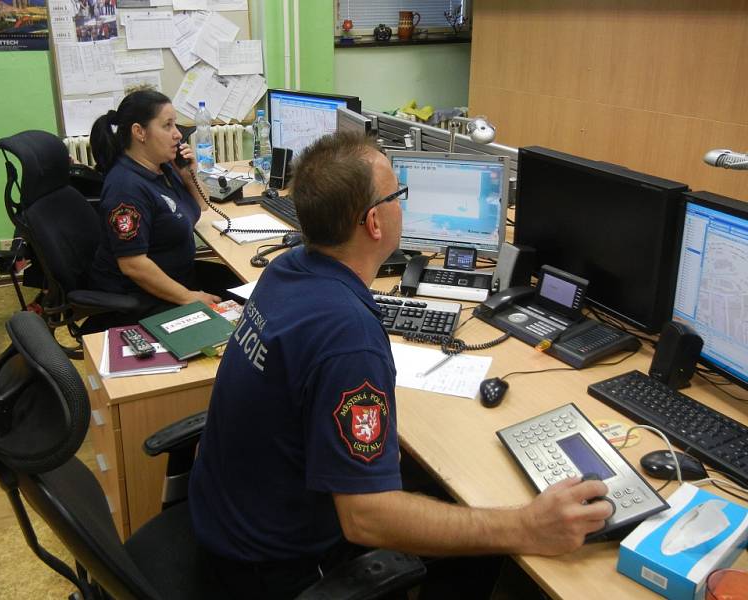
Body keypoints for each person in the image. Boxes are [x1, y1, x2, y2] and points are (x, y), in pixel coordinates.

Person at [188, 132, 614, 599]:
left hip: (228, 522)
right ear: (374, 221)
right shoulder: (347, 337)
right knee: (490, 542)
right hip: (277, 570)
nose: (402, 204)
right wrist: (526, 526)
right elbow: (365, 517)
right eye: (399, 194)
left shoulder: (289, 270)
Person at [87, 90, 240, 322]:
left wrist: (189, 174)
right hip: (143, 296)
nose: (178, 134)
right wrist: (189, 297)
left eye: (175, 125)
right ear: (139, 132)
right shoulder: (126, 189)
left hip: (181, 277)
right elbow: (133, 264)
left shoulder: (163, 166)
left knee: (254, 291)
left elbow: (203, 205)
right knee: (241, 319)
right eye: (167, 126)